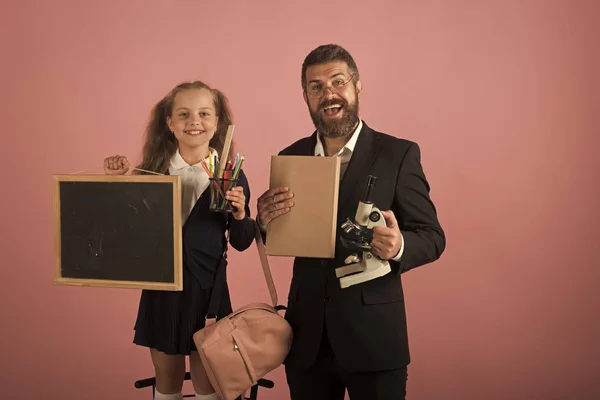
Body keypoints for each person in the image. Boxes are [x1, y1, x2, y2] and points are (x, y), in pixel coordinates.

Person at [256, 44, 446, 399]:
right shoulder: (290, 156)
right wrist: (265, 221)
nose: (328, 93)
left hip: (374, 339)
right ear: (306, 97)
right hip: (306, 340)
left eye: (338, 82)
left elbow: (433, 237)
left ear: (357, 87)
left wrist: (399, 245)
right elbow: (281, 234)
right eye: (316, 87)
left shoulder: (398, 154)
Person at [104, 81, 255, 400]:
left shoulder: (230, 173)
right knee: (167, 377)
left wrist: (241, 214)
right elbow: (125, 233)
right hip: (162, 287)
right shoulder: (150, 171)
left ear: (217, 123)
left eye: (203, 113)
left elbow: (241, 242)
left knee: (207, 382)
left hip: (208, 292)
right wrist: (118, 185)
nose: (194, 121)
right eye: (183, 114)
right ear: (170, 123)